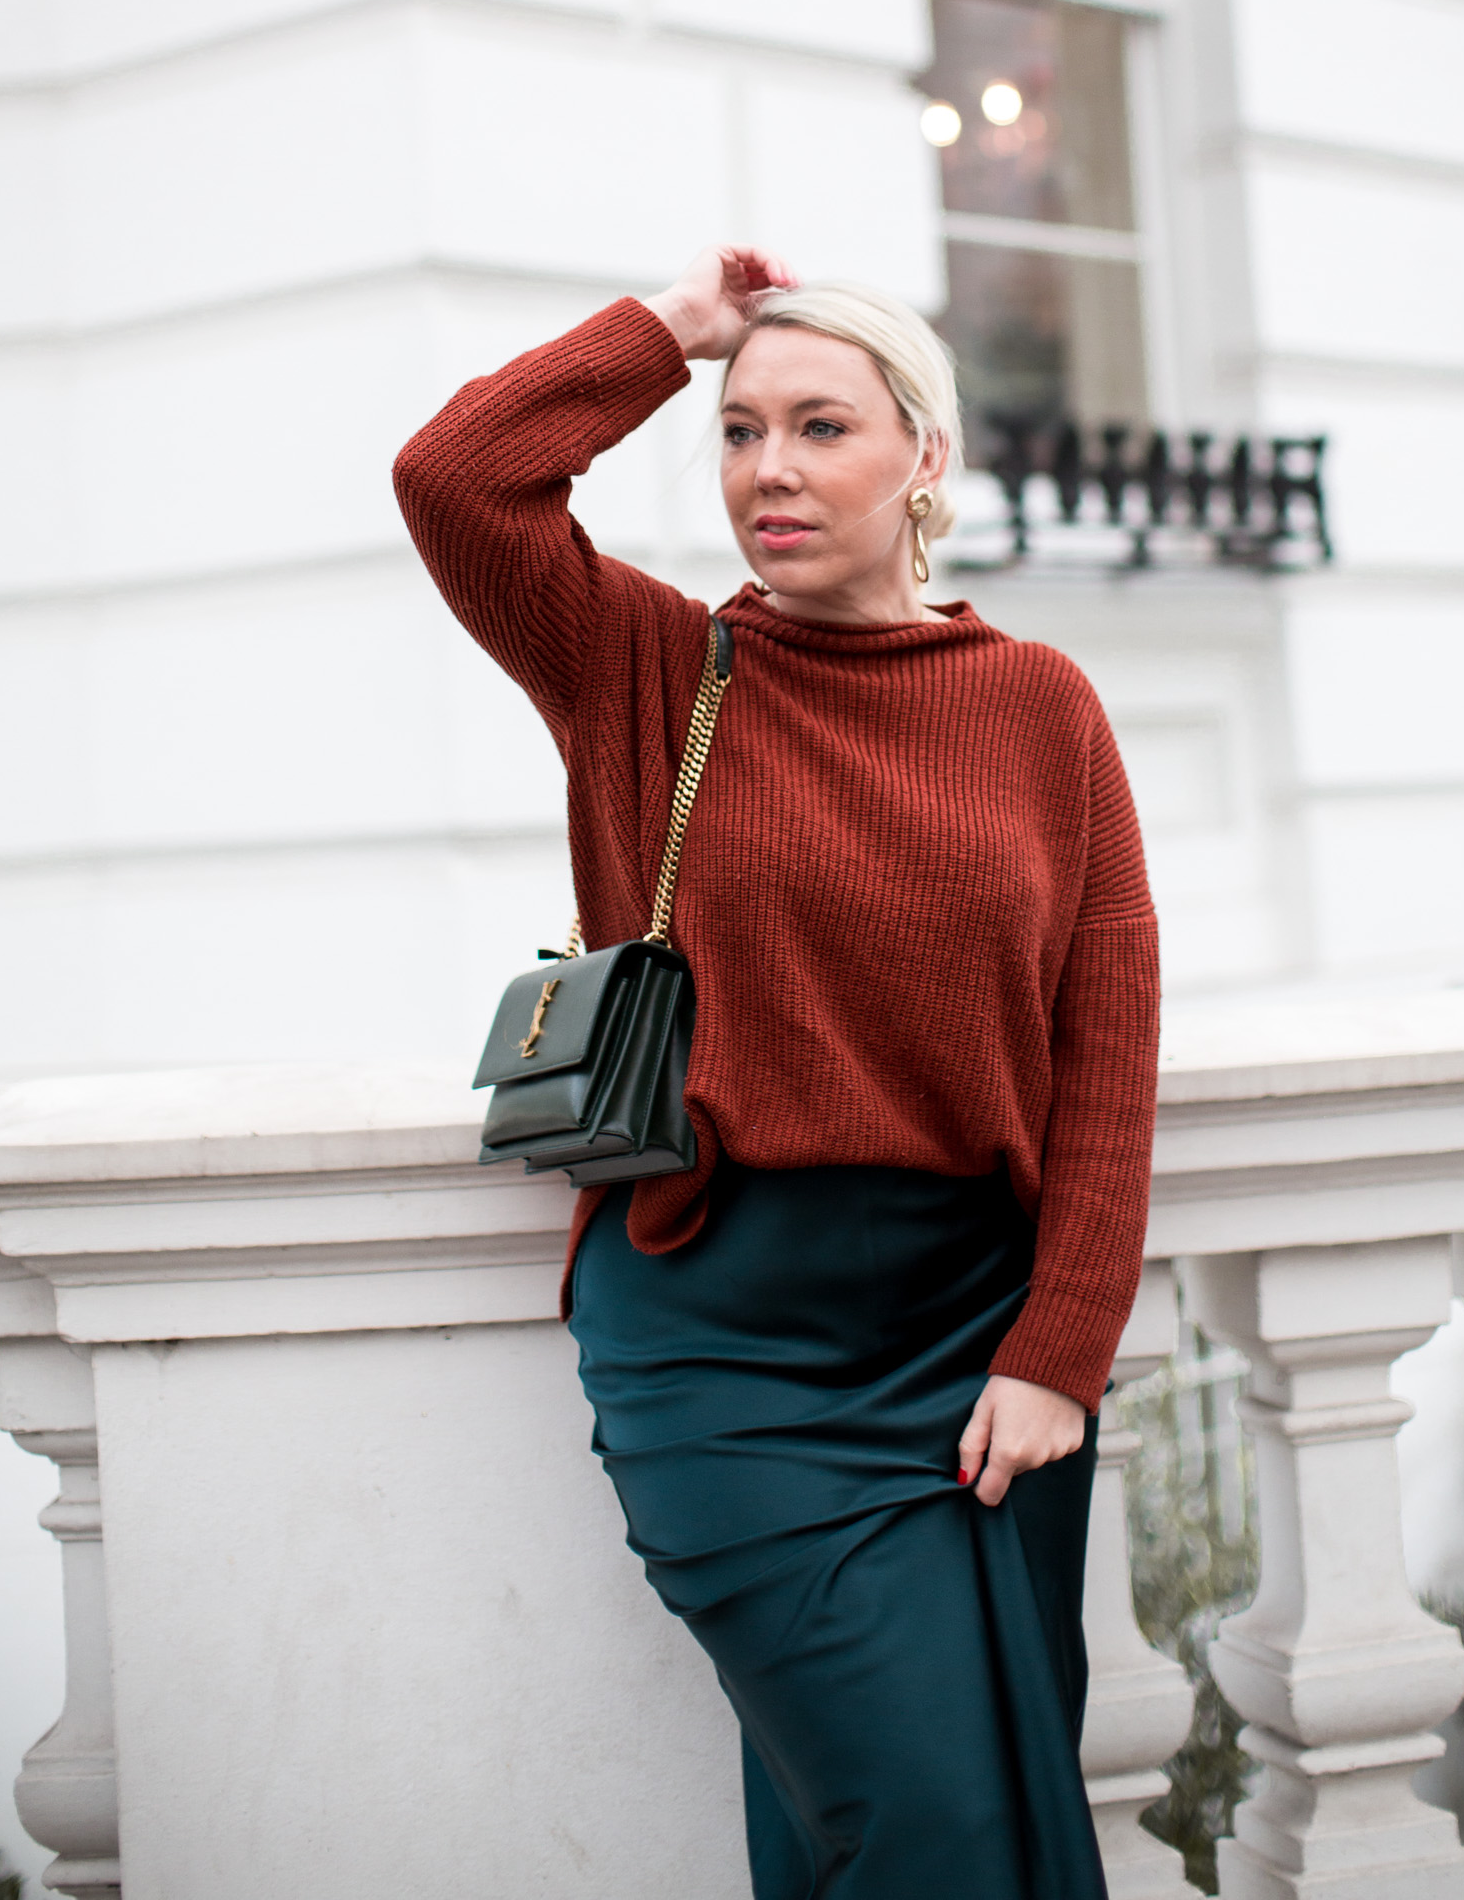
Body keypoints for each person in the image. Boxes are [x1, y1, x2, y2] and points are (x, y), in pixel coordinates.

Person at [393, 244, 1160, 1900]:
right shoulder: (645, 671)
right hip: (726, 1342)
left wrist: (1062, 1344)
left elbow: (1106, 1042)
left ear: (926, 457)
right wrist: (672, 333)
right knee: (941, 1834)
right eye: (741, 435)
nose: (771, 473)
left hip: (978, 1344)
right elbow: (452, 478)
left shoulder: (1040, 707)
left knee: (943, 1818)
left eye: (822, 427)